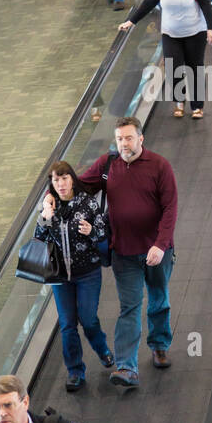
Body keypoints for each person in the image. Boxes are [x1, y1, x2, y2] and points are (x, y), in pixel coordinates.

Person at [80, 117, 178, 390]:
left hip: (158, 251)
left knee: (159, 299)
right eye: (120, 139)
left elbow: (170, 209)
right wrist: (54, 192)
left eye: (129, 138)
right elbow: (78, 187)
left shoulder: (160, 166)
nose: (124, 143)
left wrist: (160, 244)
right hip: (123, 252)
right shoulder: (107, 165)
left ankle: (159, 345)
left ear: (141, 138)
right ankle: (127, 367)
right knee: (130, 307)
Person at [35, 162, 115, 392]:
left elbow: (102, 233)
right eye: (56, 180)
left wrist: (92, 232)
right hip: (60, 276)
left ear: (72, 179)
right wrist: (45, 217)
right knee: (68, 324)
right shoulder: (49, 206)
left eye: (64, 178)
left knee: (88, 319)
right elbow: (38, 238)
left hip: (88, 274)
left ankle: (102, 350)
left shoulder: (87, 203)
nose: (60, 184)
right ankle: (75, 371)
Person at [119, 0, 212, 114]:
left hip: (195, 32)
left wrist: (211, 29)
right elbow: (148, 3)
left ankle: (197, 106)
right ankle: (179, 101)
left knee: (195, 68)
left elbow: (205, 5)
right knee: (173, 68)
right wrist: (131, 21)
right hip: (171, 34)